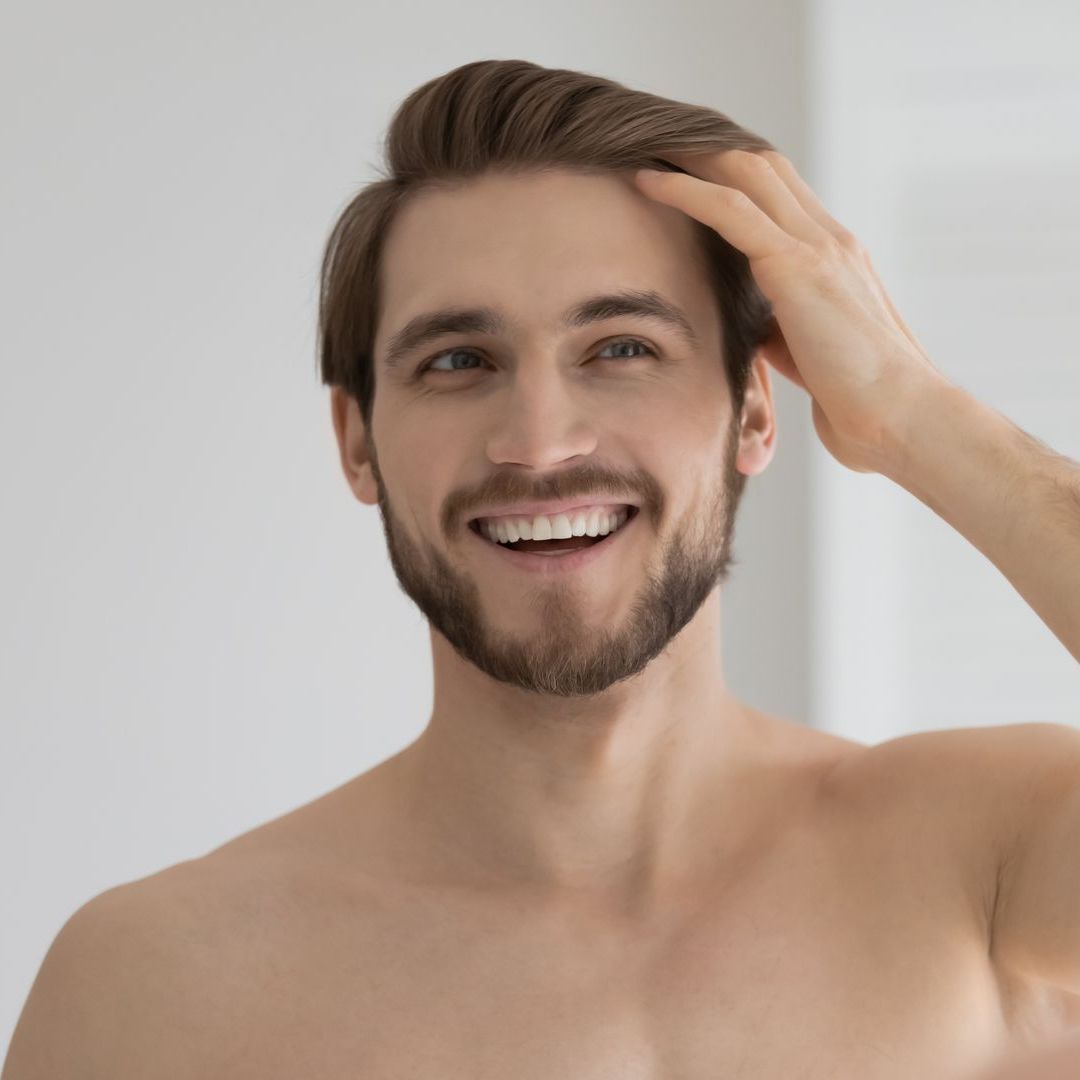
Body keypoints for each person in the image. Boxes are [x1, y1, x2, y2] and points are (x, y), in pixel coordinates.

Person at [5, 58, 1080, 1080]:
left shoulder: (992, 871)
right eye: (458, 362)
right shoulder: (153, 986)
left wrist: (917, 417)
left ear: (756, 406)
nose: (538, 440)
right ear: (358, 440)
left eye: (621, 348)